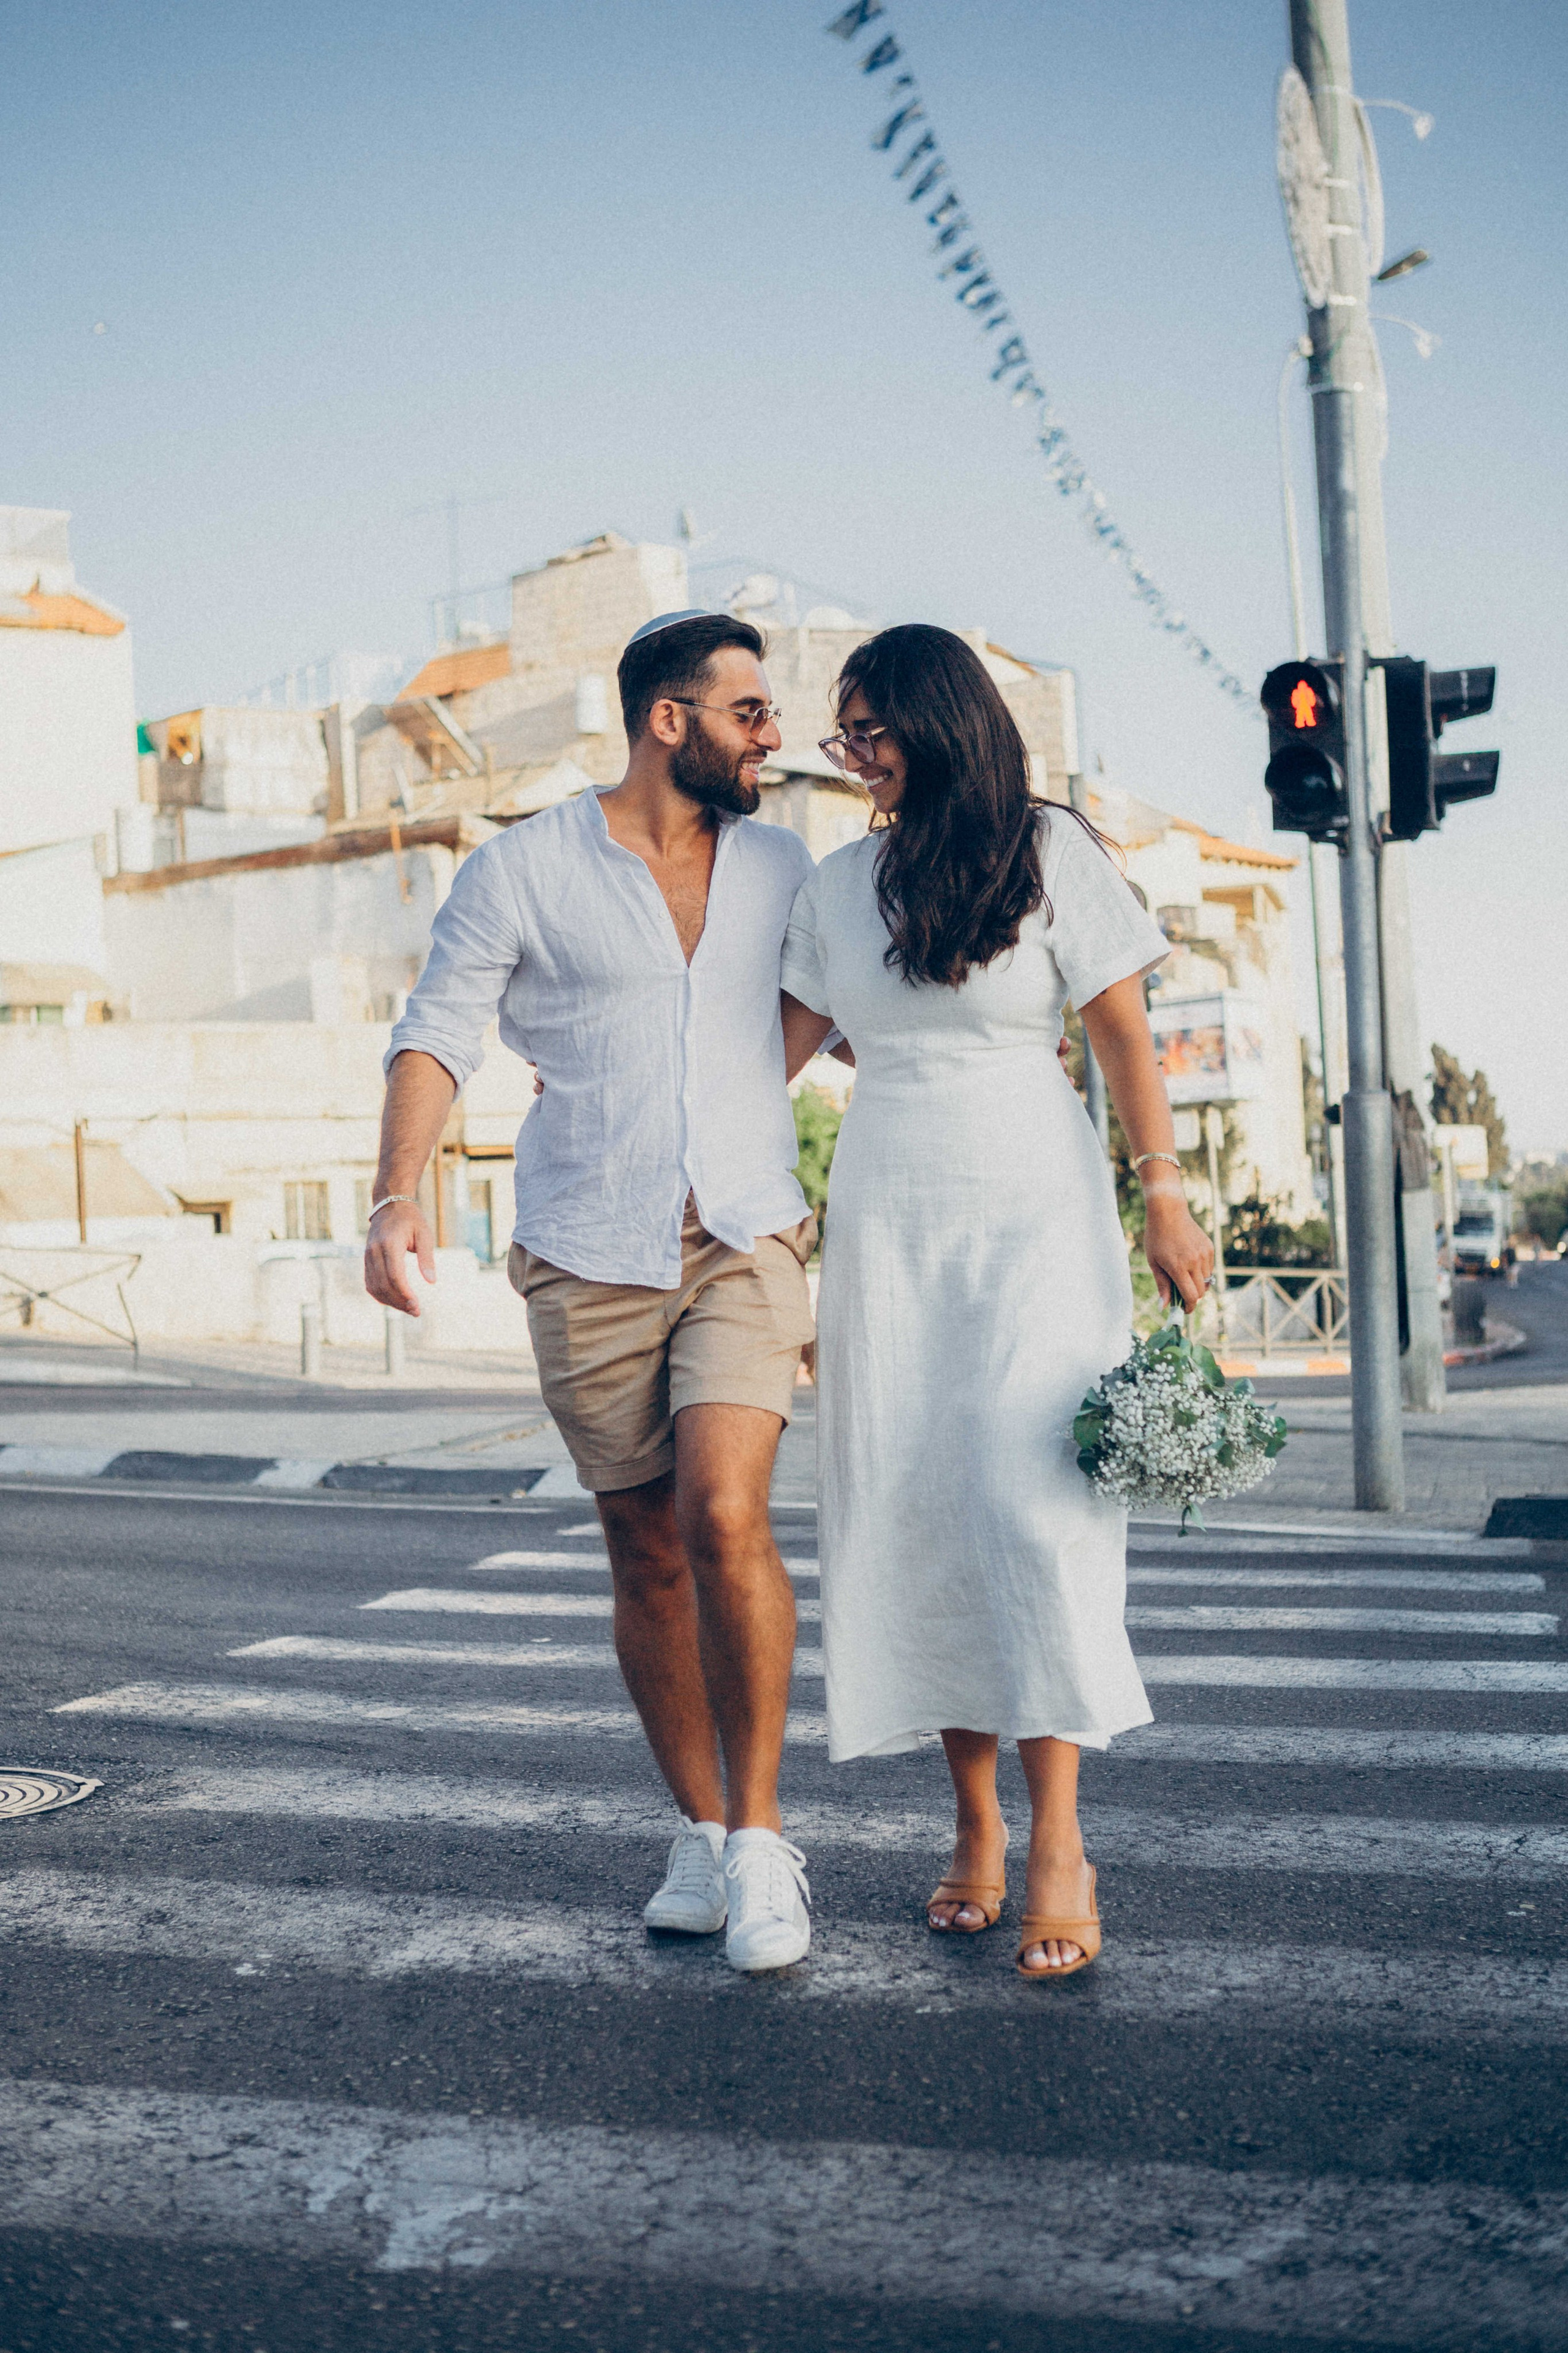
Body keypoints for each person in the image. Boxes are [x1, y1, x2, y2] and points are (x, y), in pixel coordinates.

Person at [364, 610, 822, 1973]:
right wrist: (397, 1194)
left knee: (724, 1507)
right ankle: (695, 1823)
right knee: (644, 1548)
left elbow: (851, 998)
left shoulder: (786, 866)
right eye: (748, 711)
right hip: (585, 1250)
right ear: (667, 722)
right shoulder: (519, 870)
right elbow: (436, 1037)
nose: (773, 734)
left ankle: (757, 1841)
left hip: (742, 1237)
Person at [778, 624, 1213, 1980]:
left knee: (1031, 1511)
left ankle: (1060, 1841)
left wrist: (1164, 1194)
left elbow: (1122, 1034)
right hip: (891, 1212)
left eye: (872, 729)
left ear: (937, 721)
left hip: (1034, 1208)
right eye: (841, 734)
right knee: (919, 1506)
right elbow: (763, 1058)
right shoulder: (837, 885)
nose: (854, 756)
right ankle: (970, 1825)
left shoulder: (1052, 852)